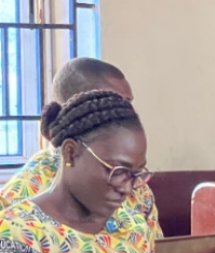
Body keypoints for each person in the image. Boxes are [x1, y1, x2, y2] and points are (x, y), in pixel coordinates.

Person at [0, 90, 160, 253]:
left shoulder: (133, 226)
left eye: (136, 174)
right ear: (71, 152)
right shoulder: (17, 234)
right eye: (117, 171)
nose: (127, 188)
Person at [0, 58, 159, 237]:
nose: (125, 113)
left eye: (128, 104)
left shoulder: (137, 188)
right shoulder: (19, 198)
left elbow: (158, 250)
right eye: (113, 103)